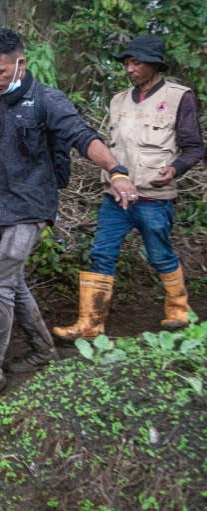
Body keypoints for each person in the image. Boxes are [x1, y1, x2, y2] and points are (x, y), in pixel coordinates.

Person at [0, 29, 138, 404]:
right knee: (12, 282)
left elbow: (84, 137)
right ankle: (43, 349)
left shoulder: (48, 101)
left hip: (32, 207)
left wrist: (116, 170)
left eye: (0, 71)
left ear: (21, 63)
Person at [53, 35, 205, 340]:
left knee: (159, 254)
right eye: (126, 63)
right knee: (101, 253)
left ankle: (178, 310)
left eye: (136, 62)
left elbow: (194, 147)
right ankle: (90, 324)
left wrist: (175, 169)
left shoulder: (179, 97)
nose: (129, 69)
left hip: (154, 197)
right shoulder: (118, 100)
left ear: (154, 64)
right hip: (116, 195)